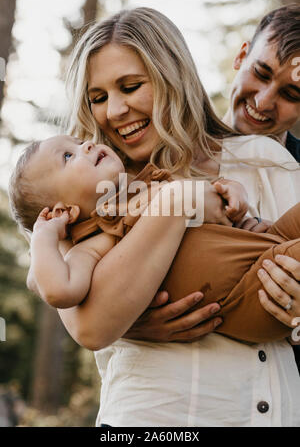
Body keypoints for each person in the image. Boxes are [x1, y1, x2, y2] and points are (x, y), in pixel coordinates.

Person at [26, 7, 300, 426]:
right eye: (97, 98)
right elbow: (88, 323)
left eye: (131, 86)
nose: (115, 111)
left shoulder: (267, 163)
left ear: (172, 75)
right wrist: (180, 199)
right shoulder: (89, 196)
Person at [128, 5, 300, 369]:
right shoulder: (165, 148)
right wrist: (128, 322)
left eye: (292, 94)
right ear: (241, 56)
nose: (264, 101)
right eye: (261, 72)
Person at [9, 135, 300, 343]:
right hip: (255, 287)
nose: (85, 144)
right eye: (68, 156)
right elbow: (60, 291)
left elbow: (209, 200)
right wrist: (44, 237)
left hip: (266, 241)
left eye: (77, 140)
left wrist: (229, 189)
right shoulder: (93, 246)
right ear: (63, 212)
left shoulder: (144, 186)